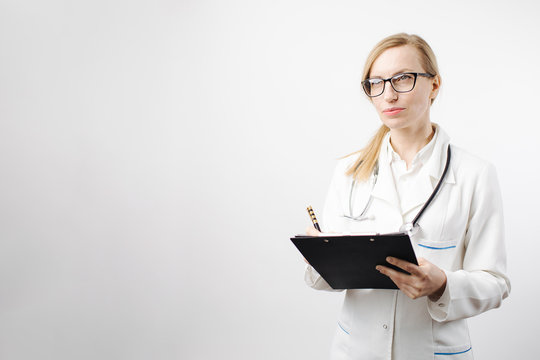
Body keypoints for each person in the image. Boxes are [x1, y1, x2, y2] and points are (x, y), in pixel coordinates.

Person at [304, 33, 510, 360]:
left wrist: (443, 285)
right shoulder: (348, 170)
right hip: (356, 350)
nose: (388, 94)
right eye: (376, 82)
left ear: (435, 85)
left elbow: (495, 283)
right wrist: (319, 257)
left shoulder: (475, 174)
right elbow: (327, 281)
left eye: (402, 78)